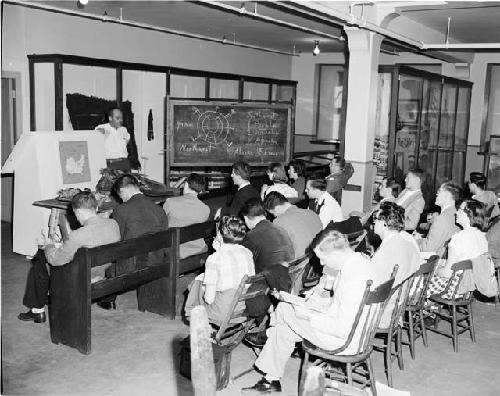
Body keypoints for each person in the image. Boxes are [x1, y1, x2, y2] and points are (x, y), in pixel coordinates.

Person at [241, 230, 374, 394]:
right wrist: (304, 304)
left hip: (343, 340)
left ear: (334, 253)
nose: (322, 264)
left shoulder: (353, 280)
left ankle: (268, 338)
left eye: (322, 258)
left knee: (283, 311)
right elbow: (338, 307)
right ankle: (270, 378)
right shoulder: (360, 261)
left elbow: (340, 328)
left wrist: (309, 316)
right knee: (287, 314)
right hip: (355, 331)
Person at [18, 191, 121, 323]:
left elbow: (55, 261)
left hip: (82, 276)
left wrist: (48, 246)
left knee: (41, 257)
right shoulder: (113, 224)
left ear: (77, 212)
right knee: (52, 254)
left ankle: (37, 311)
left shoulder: (78, 235)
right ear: (95, 208)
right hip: (103, 270)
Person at [184, 216, 254, 325]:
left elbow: (209, 299)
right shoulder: (247, 253)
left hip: (223, 315)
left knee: (195, 285)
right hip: (242, 311)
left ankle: (194, 322)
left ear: (219, 235)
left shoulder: (215, 259)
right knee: (200, 282)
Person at [371, 201, 420, 328]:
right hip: (396, 308)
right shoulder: (409, 244)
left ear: (384, 223)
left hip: (380, 312)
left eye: (375, 219)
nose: (373, 222)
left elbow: (371, 284)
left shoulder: (387, 251)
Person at [427, 199, 489, 298]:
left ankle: (425, 306)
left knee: (420, 276)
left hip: (452, 289)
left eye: (460, 210)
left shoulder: (458, 238)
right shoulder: (482, 237)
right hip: (469, 289)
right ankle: (431, 308)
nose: (456, 212)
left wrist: (435, 269)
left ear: (469, 214)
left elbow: (447, 274)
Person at [263, 192, 323, 294]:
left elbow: (278, 254)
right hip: (318, 268)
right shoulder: (312, 213)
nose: (274, 216)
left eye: (273, 214)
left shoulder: (279, 221)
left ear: (276, 209)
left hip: (298, 273)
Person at [163, 173, 210, 259]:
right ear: (200, 190)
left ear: (186, 185)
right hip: (199, 250)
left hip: (176, 252)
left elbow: (162, 225)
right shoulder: (206, 209)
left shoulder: (170, 202)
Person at [241, 198, 294, 273]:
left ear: (245, 218)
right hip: (289, 274)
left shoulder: (252, 236)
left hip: (267, 280)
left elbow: (243, 262)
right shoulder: (280, 229)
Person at [415, 182, 461, 257]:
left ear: (447, 195)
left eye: (439, 192)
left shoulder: (442, 218)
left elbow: (428, 249)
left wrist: (413, 241)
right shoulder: (455, 214)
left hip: (435, 261)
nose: (436, 194)